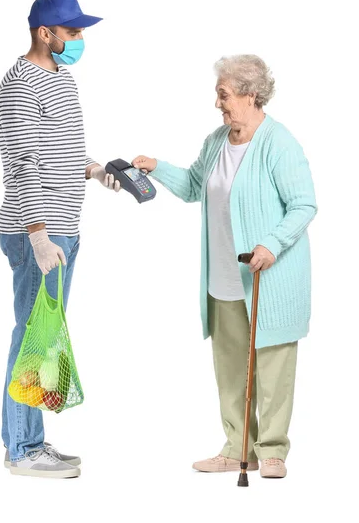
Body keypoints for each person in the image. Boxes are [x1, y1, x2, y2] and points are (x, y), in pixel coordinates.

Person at [132, 55, 317, 479]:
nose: (218, 103)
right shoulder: (217, 140)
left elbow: (304, 203)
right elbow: (195, 186)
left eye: (224, 94)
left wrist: (271, 245)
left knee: (272, 368)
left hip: (268, 277)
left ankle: (271, 452)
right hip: (223, 278)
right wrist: (156, 167)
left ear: (252, 95)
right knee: (231, 370)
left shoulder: (278, 143)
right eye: (219, 94)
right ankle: (238, 449)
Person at [0, 0, 120, 478]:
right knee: (31, 337)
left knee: (44, 340)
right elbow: (23, 166)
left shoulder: (62, 79)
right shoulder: (19, 86)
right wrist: (39, 235)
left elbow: (57, 153)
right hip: (38, 233)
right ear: (45, 33)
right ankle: (22, 452)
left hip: (65, 228)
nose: (79, 40)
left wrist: (95, 170)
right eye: (72, 32)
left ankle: (29, 442)